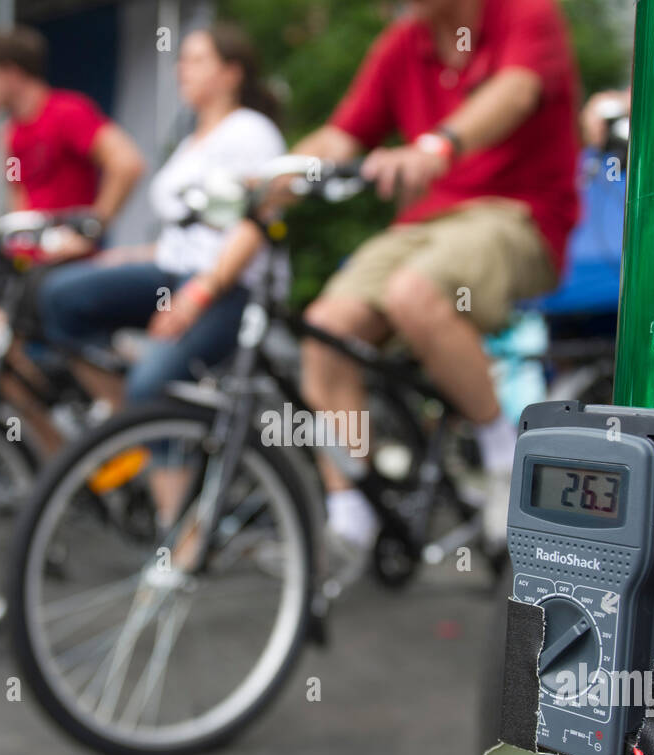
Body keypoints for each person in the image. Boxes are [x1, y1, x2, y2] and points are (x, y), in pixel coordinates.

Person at [287, 0, 581, 573]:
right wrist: (266, 177)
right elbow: (341, 136)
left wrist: (437, 146)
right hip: (428, 224)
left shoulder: (526, 14)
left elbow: (515, 93)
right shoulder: (404, 43)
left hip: (519, 216)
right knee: (324, 327)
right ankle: (352, 511)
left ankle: (503, 461)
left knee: (414, 293)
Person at [35, 23, 286, 411]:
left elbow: (254, 225)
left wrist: (194, 297)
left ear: (231, 73)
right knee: (61, 295)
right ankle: (123, 424)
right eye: (181, 60)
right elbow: (187, 236)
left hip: (228, 286)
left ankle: (153, 440)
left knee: (150, 386)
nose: (181, 69)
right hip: (170, 272)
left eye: (196, 60)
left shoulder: (252, 133)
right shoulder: (190, 142)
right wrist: (128, 257)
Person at [0, 24, 145, 378]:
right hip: (22, 263)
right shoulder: (14, 135)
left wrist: (90, 228)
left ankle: (46, 430)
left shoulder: (66, 112)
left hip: (59, 264)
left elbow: (127, 162)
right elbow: (20, 203)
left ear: (12, 72)